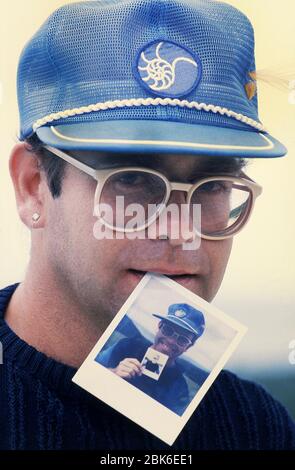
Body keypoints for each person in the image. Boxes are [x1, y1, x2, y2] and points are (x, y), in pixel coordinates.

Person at [0, 0, 294, 451]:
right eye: (132, 180)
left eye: (213, 185)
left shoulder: (256, 427)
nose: (181, 232)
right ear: (33, 186)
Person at [95, 303, 207, 416]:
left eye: (182, 340)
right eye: (168, 330)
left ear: (188, 347)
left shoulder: (179, 390)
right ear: (159, 326)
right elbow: (89, 370)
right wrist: (112, 372)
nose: (171, 341)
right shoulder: (127, 346)